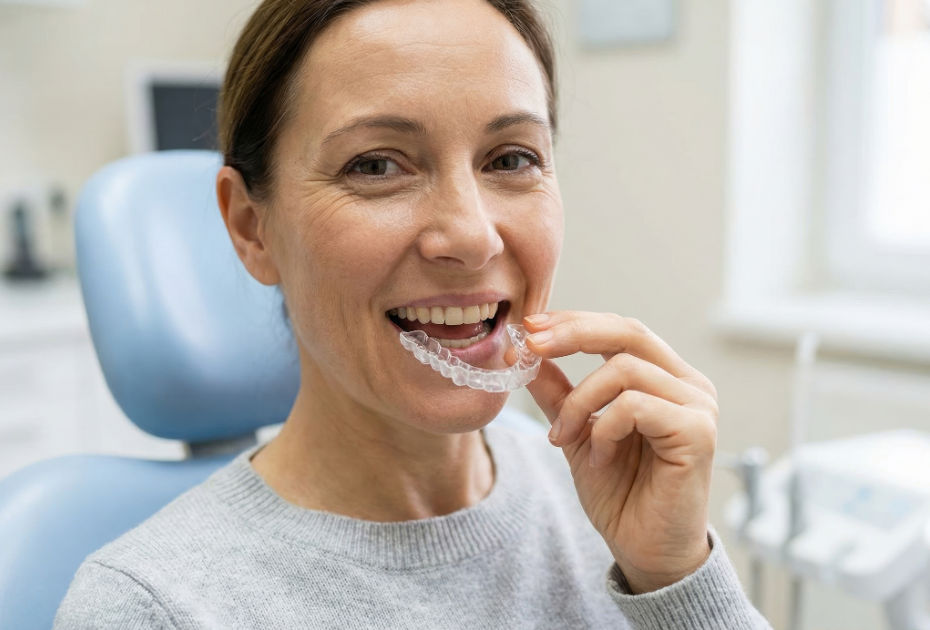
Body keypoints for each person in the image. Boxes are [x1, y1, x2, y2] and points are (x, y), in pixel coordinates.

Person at [55, 0, 771, 627]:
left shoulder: (612, 501)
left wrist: (679, 581)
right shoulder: (152, 608)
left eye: (511, 158)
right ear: (250, 226)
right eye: (375, 166)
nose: (472, 235)